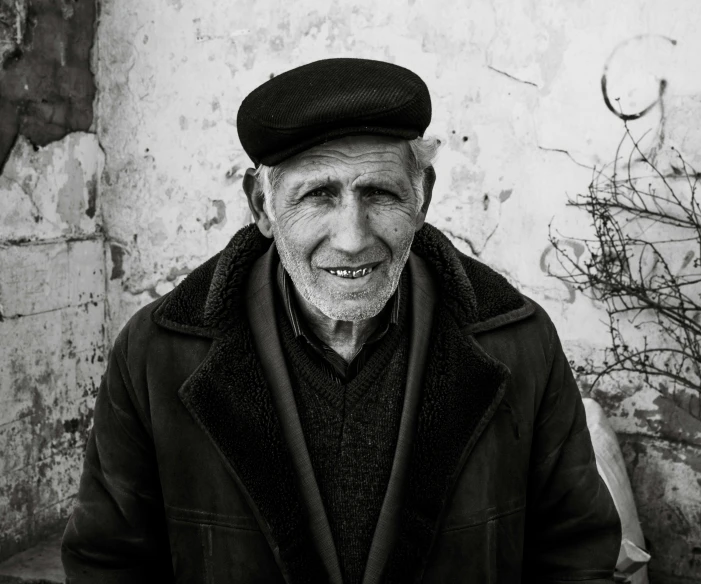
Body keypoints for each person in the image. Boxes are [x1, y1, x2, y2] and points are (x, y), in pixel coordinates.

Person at [61, 58, 621, 583]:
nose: (352, 239)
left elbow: (575, 552)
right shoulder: (157, 354)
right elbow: (109, 563)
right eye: (318, 195)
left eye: (379, 192)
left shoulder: (518, 344)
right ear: (262, 205)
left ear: (422, 197)